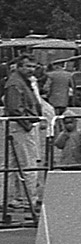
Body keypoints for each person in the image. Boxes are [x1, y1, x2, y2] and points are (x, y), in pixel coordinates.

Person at [4, 59, 44, 220]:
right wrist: (27, 122)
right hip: (20, 126)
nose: (31, 69)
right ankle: (29, 200)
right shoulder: (16, 83)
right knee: (28, 163)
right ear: (19, 67)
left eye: (33, 66)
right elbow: (15, 108)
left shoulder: (21, 81)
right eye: (27, 66)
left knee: (11, 165)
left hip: (18, 125)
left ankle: (10, 199)